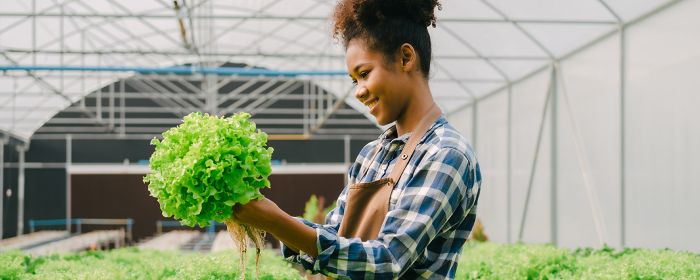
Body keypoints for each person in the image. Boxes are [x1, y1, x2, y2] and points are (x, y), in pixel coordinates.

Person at [233, 0, 482, 278]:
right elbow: (335, 236)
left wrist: (275, 220)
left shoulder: (445, 153)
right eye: (354, 80)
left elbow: (387, 261)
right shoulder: (372, 154)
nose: (359, 92)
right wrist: (265, 215)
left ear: (405, 58)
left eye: (364, 74)